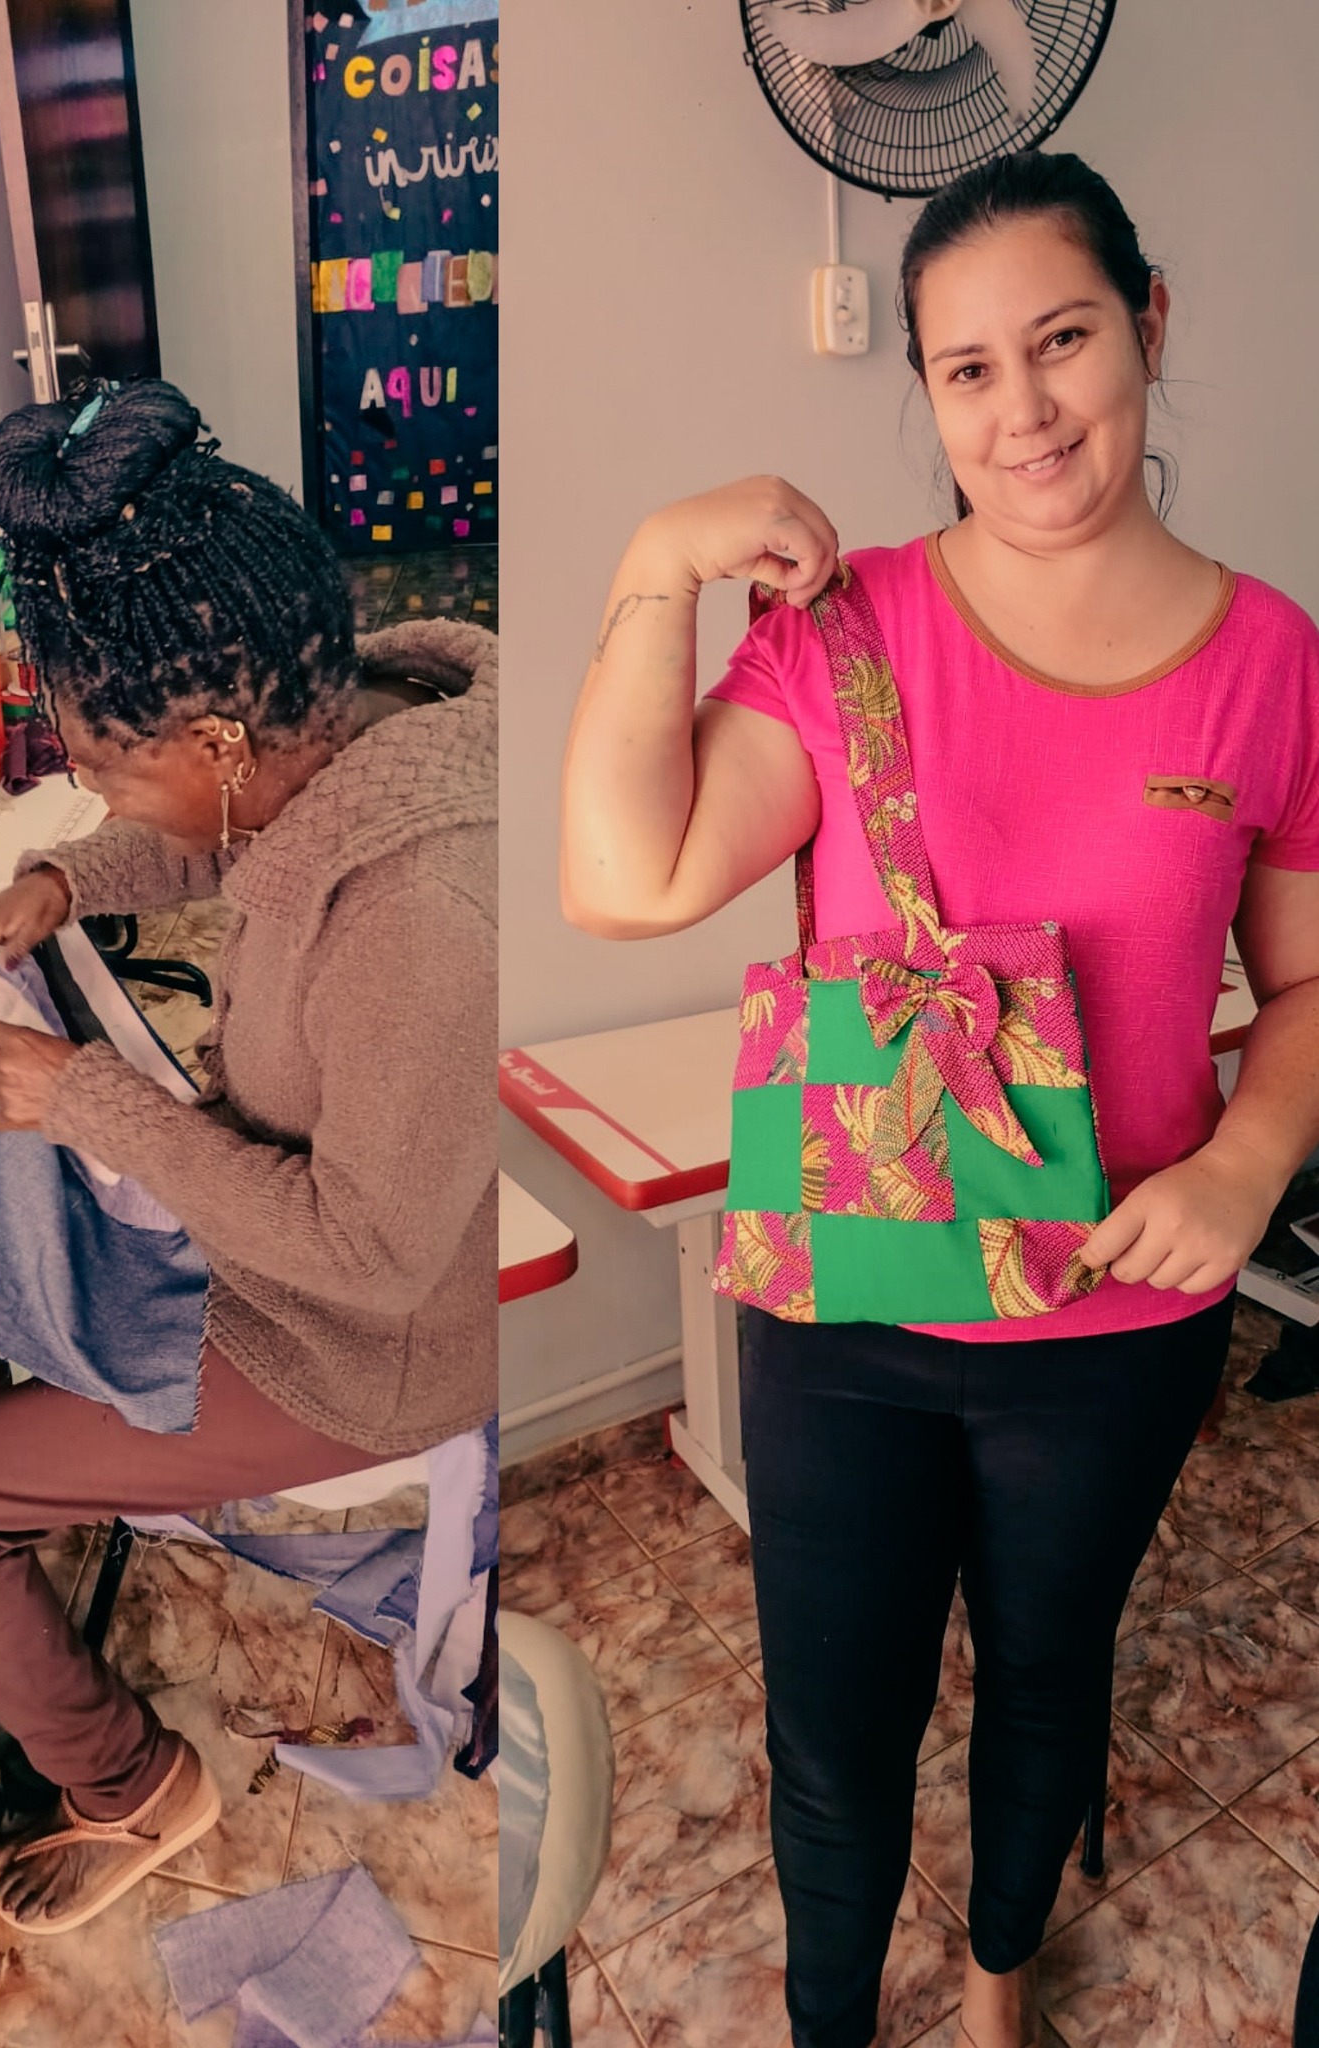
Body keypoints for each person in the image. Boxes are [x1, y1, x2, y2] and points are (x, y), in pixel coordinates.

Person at [559, 151, 1319, 2048]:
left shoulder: (1268, 661)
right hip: (848, 1303)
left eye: (1060, 340)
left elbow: (1309, 982)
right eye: (966, 368)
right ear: (924, 390)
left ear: (1146, 327)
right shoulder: (849, 633)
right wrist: (657, 565)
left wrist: (1246, 1162)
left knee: (1048, 1679)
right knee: (834, 1741)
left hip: (1116, 1315)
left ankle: (994, 1988)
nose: (1022, 409)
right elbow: (623, 878)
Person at [0, 379, 497, 1935]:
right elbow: (220, 823)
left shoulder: (419, 922)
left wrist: (93, 1102)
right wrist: (63, 883)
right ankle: (10, 1496)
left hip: (354, 1345)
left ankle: (129, 1781)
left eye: (106, 769)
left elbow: (366, 1255)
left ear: (213, 738)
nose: (98, 793)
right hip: (290, 1245)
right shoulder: (352, 728)